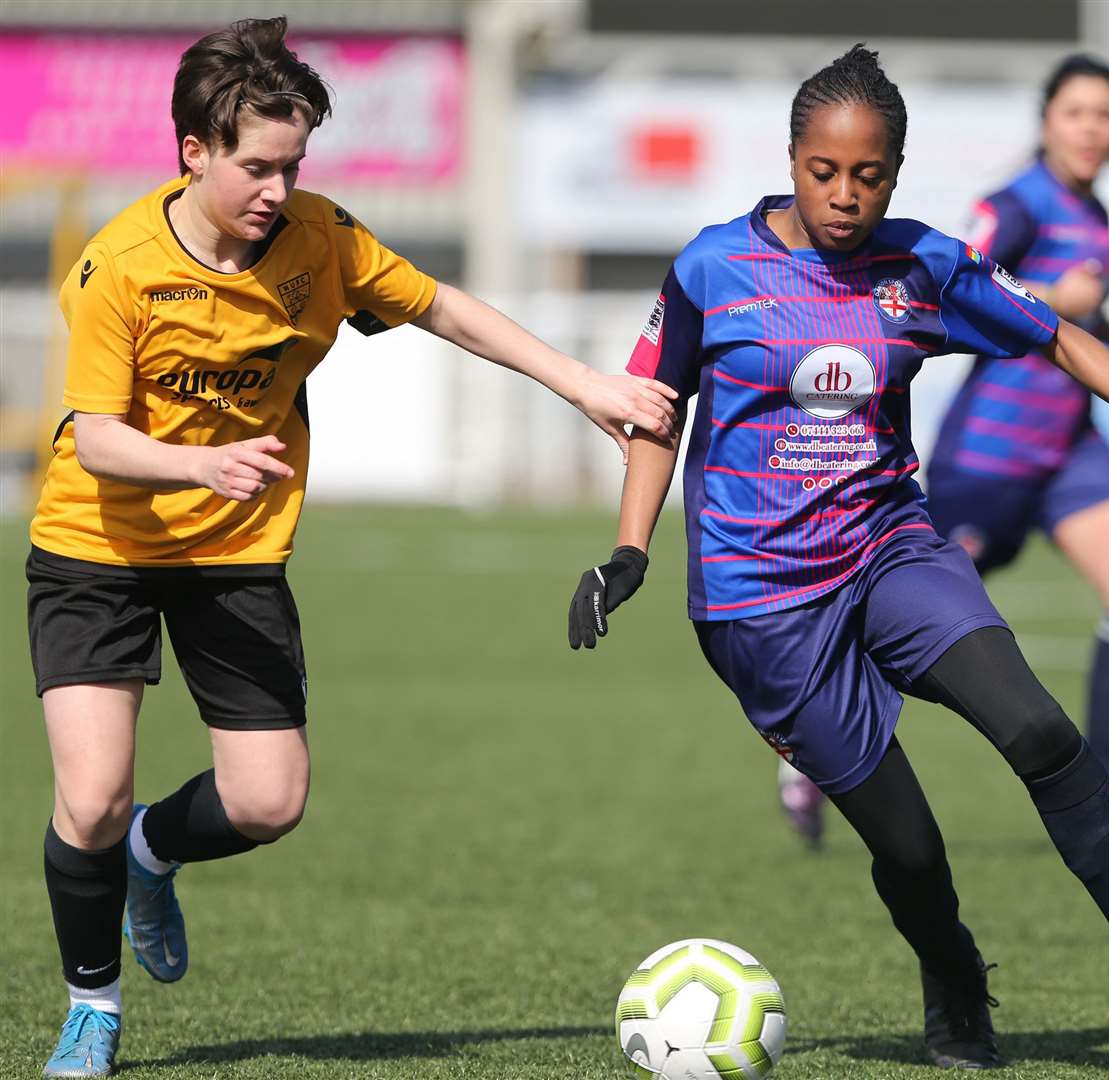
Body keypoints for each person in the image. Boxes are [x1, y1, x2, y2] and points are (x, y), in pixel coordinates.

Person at [567, 45, 1109, 1070]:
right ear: (792, 159)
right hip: (760, 603)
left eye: (868, 175)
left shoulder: (923, 265)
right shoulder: (712, 267)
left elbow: (1054, 333)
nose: (845, 196)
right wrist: (629, 551)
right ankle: (952, 980)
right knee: (907, 845)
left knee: (1037, 728)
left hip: (890, 546)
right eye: (823, 171)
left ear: (893, 171)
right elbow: (653, 409)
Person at [28, 18, 677, 1078]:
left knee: (269, 801)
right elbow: (92, 436)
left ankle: (154, 851)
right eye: (257, 166)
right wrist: (197, 464)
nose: (278, 189)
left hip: (233, 555)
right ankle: (91, 1009)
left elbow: (445, 311)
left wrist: (587, 387)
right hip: (97, 548)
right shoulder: (120, 266)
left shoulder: (321, 240)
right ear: (192, 151)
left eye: (292, 165)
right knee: (89, 795)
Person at [918, 54, 1109, 840]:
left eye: (1106, 115)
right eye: (1077, 112)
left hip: (1068, 448)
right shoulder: (1014, 204)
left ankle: (1103, 786)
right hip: (988, 454)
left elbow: (1075, 322)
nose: (1092, 128)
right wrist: (1050, 296)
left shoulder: (1093, 213)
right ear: (1046, 121)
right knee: (917, 619)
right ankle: (809, 750)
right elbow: (959, 285)